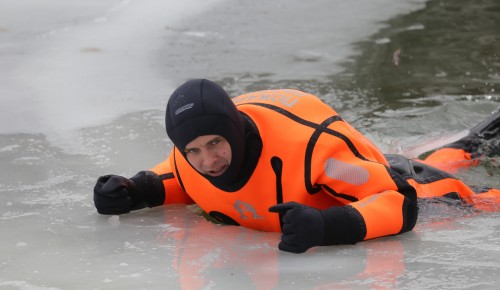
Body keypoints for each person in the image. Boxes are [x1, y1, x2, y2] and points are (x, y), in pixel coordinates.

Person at [94, 79, 500, 254]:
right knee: (438, 159)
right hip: (361, 173)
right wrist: (134, 191)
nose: (208, 162)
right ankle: (463, 146)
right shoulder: (189, 161)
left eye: (216, 144)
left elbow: (397, 201)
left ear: (234, 131)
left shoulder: (312, 154)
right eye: (194, 150)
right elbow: (178, 179)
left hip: (385, 181)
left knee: (474, 198)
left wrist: (328, 227)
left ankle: (468, 147)